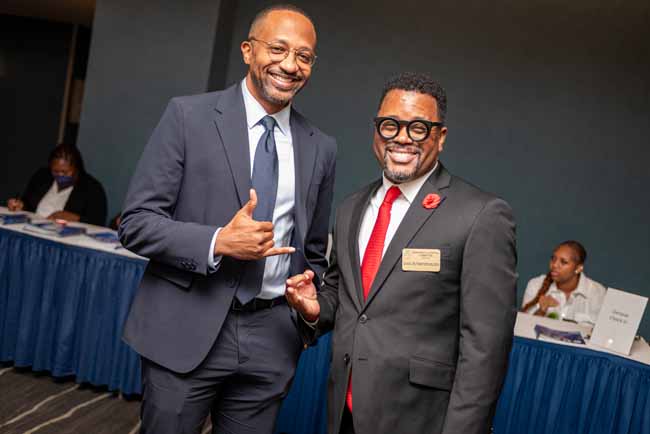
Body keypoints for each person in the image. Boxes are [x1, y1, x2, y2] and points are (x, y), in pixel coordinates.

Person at [118, 5, 336, 434]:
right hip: (187, 325)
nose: (290, 65)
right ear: (247, 51)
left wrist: (306, 310)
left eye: (304, 56)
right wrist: (218, 241)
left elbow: (313, 252)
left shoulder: (321, 147)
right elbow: (136, 223)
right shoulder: (188, 117)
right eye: (278, 48)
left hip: (272, 337)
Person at [286, 72, 517, 434]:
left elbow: (485, 349)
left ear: (440, 138)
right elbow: (347, 297)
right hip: (344, 412)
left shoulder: (481, 215)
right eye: (390, 125)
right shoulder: (351, 208)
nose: (402, 138)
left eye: (419, 128)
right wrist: (316, 309)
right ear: (376, 131)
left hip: (422, 421)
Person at [6, 143, 107, 226]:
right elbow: (28, 203)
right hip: (31, 229)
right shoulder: (42, 176)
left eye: (65, 172)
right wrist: (20, 205)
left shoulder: (92, 188)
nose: (60, 175)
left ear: (77, 169)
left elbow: (97, 222)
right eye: (55, 171)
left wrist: (75, 218)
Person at [521, 240, 606, 324]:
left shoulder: (598, 292)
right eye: (553, 259)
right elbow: (523, 328)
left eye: (563, 262)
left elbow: (603, 332)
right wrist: (541, 310)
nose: (554, 265)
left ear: (578, 268)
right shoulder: (535, 285)